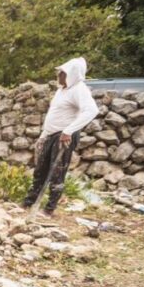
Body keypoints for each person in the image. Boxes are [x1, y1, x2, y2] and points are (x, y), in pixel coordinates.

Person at [22, 57, 99, 216]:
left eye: (62, 73)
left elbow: (91, 111)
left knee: (56, 173)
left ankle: (49, 209)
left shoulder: (79, 89)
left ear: (72, 75)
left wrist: (69, 131)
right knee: (40, 170)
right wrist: (43, 135)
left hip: (64, 136)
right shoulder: (62, 90)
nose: (59, 76)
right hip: (51, 134)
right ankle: (30, 201)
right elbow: (55, 114)